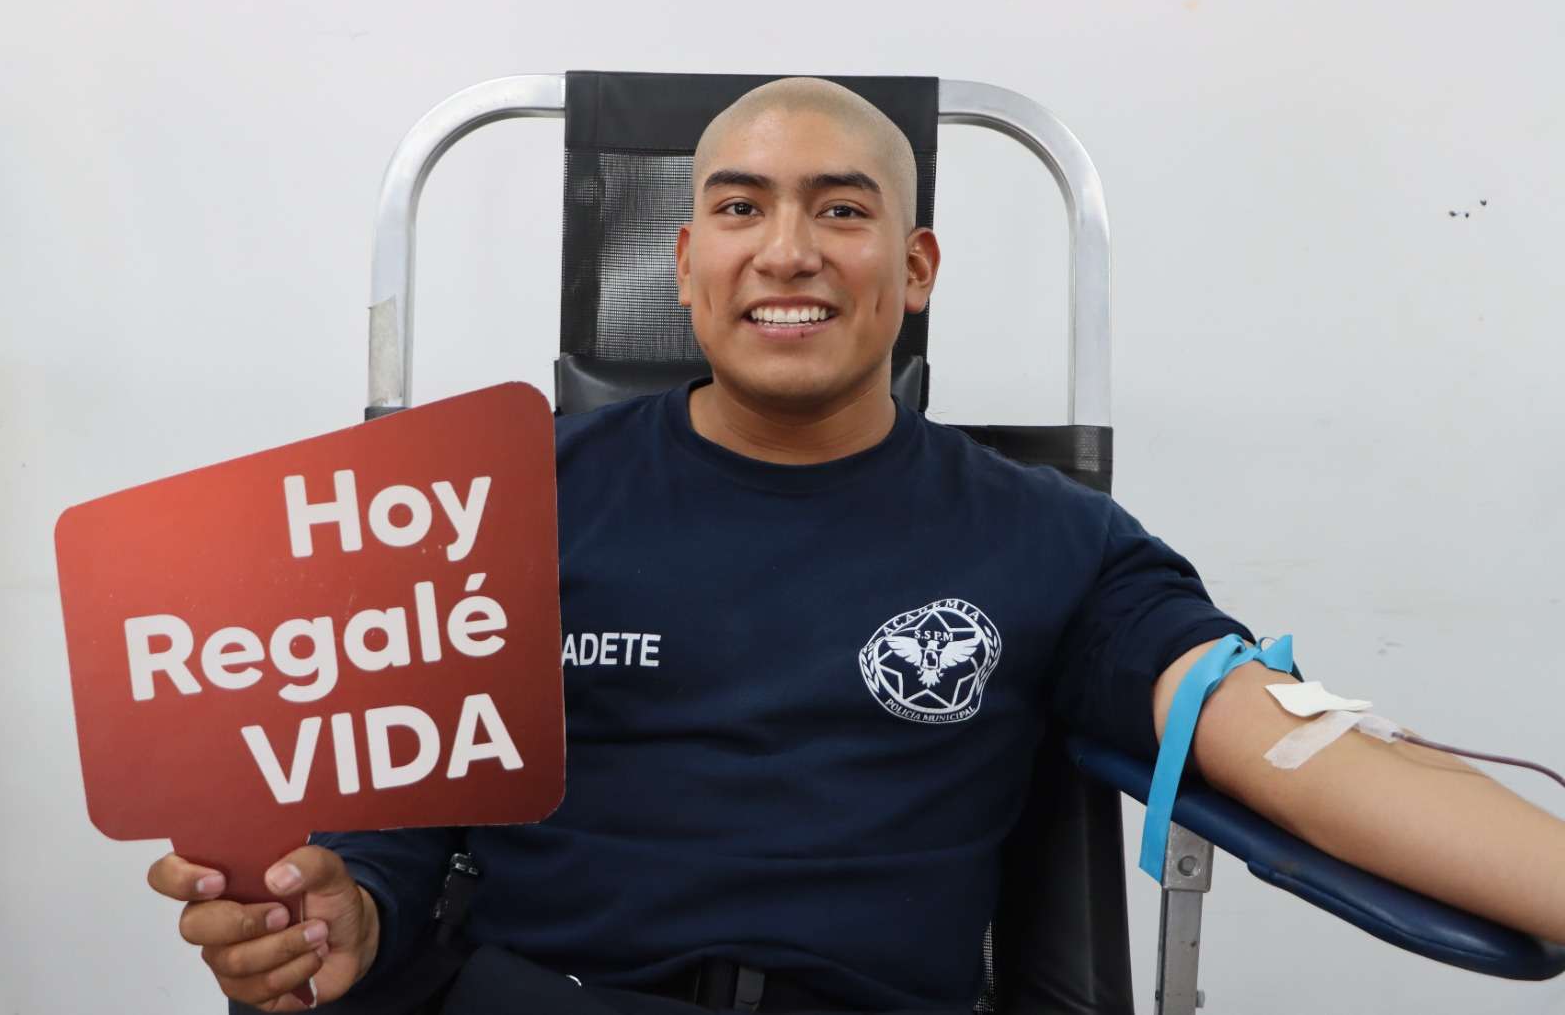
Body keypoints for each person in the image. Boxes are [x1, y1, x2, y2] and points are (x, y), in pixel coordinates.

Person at [146, 78, 1565, 1013]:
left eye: (843, 207)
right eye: (740, 209)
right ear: (682, 261)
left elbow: (1295, 745)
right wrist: (336, 929)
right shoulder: (487, 498)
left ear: (917, 267)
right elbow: (380, 856)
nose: (789, 250)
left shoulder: (1051, 541)